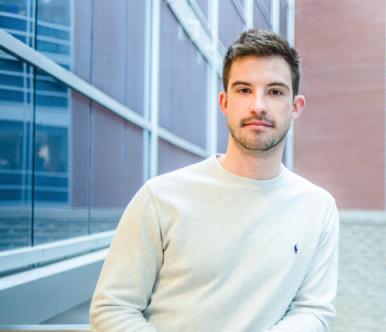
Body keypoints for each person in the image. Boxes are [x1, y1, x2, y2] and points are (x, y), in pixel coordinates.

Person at [90, 29, 339, 331]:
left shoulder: (318, 207)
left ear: (295, 106)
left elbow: (313, 311)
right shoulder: (160, 198)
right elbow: (113, 309)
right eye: (244, 90)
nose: (258, 105)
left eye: (274, 91)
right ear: (224, 102)